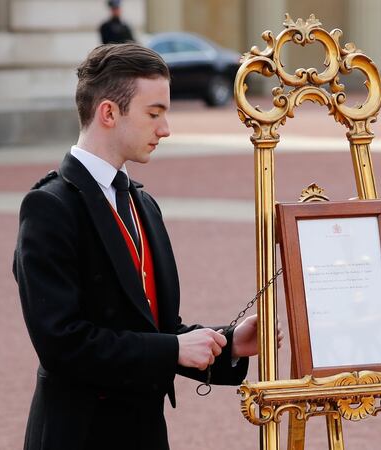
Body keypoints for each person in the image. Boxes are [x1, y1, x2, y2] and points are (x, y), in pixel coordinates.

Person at [13, 43, 265, 450]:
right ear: (109, 113)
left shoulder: (142, 202)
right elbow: (62, 343)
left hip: (145, 433)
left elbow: (157, 331)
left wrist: (228, 344)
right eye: (154, 113)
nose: (165, 129)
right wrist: (173, 349)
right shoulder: (49, 206)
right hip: (79, 434)